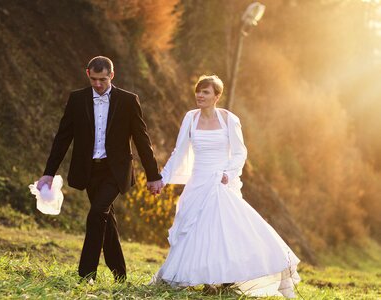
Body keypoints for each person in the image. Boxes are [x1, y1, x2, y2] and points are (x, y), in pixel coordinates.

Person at [150, 75, 301, 298]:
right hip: (198, 182)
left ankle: (226, 279)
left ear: (217, 96)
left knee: (225, 232)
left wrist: (228, 174)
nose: (200, 96)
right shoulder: (190, 118)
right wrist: (162, 177)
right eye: (198, 91)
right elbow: (179, 150)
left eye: (206, 92)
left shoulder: (229, 119)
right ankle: (206, 279)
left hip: (221, 182)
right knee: (195, 232)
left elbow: (241, 152)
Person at [37, 56, 164, 282]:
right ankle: (120, 275)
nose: (97, 84)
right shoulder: (77, 99)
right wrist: (49, 172)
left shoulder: (128, 100)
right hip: (89, 170)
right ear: (88, 73)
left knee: (96, 213)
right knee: (105, 218)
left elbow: (142, 140)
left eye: (102, 79)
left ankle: (86, 274)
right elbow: (63, 138)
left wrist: (154, 176)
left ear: (112, 76)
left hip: (115, 171)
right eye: (94, 79)